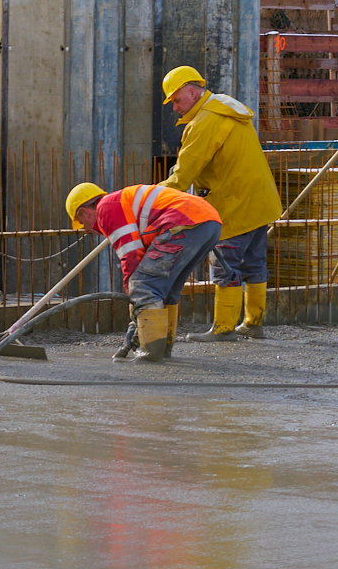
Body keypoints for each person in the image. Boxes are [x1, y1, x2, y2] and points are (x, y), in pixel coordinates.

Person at [159, 66, 283, 341]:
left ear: (192, 92)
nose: (175, 108)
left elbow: (183, 176)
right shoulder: (226, 107)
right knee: (254, 263)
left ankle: (224, 329)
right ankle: (254, 323)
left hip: (233, 203)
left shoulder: (205, 121)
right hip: (258, 200)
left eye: (177, 100)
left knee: (225, 264)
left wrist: (149, 197)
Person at [66, 181, 222, 363]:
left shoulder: (106, 209)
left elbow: (131, 256)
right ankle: (163, 349)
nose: (86, 229)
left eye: (82, 223)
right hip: (208, 221)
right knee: (166, 290)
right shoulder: (121, 202)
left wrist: (136, 297)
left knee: (144, 285)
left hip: (185, 221)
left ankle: (151, 353)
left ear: (85, 212)